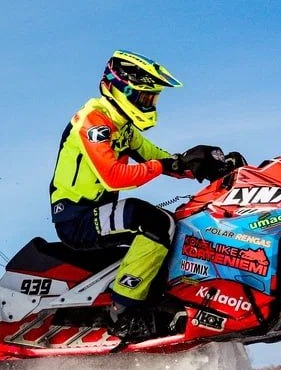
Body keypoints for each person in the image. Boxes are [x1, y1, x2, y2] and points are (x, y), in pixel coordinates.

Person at [49, 50, 243, 341]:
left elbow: (162, 159)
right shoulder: (94, 122)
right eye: (144, 97)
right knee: (155, 222)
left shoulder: (122, 127)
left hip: (97, 213)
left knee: (181, 227)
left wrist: (206, 165)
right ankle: (123, 311)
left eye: (152, 98)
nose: (148, 103)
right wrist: (163, 165)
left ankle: (163, 303)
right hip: (76, 217)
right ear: (119, 89)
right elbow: (114, 175)